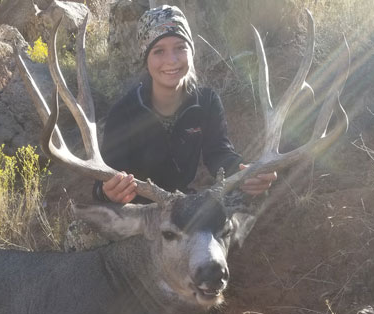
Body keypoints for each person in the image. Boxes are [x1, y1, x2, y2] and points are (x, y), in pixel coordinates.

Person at [93, 5, 277, 204]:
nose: (171, 60)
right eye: (159, 51)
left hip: (181, 208)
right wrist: (106, 193)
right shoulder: (124, 112)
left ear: (191, 51)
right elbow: (104, 179)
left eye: (180, 47)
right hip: (138, 215)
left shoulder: (206, 101)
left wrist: (244, 173)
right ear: (145, 59)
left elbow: (218, 154)